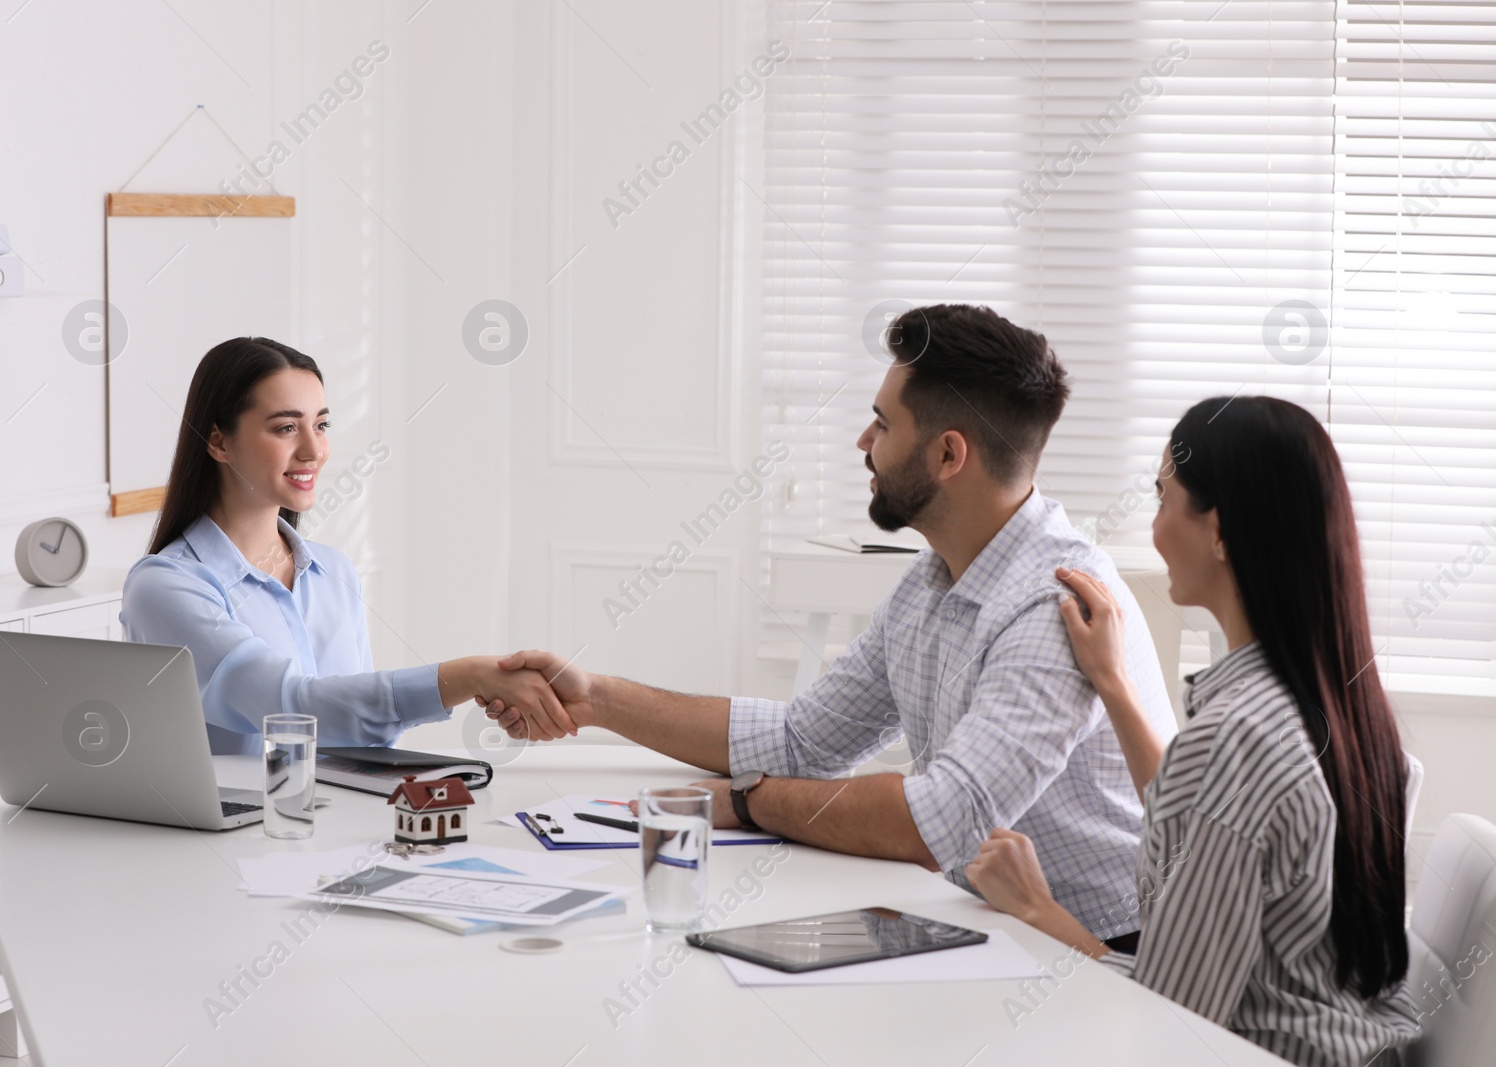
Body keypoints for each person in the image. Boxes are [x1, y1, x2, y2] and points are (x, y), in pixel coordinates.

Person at [483, 304, 1178, 946]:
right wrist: (596, 699)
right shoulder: (931, 580)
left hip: (1096, 951)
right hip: (978, 918)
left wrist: (745, 804)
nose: (863, 441)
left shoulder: (1052, 607)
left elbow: (937, 823)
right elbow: (801, 740)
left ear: (948, 455)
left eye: (883, 423)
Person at [966, 396, 1420, 1066]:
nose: (1152, 528)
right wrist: (1114, 682)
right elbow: (1212, 827)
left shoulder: (1235, 739)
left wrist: (1038, 908)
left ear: (1220, 529)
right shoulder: (1344, 713)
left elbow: (1170, 1018)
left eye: (1163, 496)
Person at [121, 337, 574, 756]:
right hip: (231, 838)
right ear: (219, 441)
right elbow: (292, 709)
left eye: (321, 425)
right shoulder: (165, 587)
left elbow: (355, 735)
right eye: (285, 428)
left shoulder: (333, 572)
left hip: (339, 830)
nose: (313, 450)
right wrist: (471, 676)